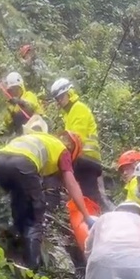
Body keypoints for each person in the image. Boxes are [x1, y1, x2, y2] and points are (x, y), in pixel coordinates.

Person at [0, 131, 96, 270]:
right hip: (22, 165)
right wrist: (87, 217)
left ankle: (8, 245)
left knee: (19, 203)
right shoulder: (63, 151)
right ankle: (32, 268)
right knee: (34, 217)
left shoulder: (42, 138)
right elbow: (72, 184)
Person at [50, 78, 113, 211]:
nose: (59, 101)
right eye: (57, 99)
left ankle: (101, 218)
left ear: (69, 93)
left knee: (91, 196)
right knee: (85, 194)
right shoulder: (70, 113)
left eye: (61, 97)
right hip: (81, 159)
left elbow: (75, 138)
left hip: (87, 159)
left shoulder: (78, 108)